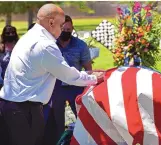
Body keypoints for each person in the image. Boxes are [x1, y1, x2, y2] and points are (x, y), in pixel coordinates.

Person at [0, 3, 102, 145]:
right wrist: (94, 78)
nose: (62, 31)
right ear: (51, 22)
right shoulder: (45, 44)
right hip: (25, 111)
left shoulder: (29, 36)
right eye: (61, 26)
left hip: (9, 106)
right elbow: (68, 75)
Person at [44, 15, 93, 144]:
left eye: (68, 30)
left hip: (75, 86)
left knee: (82, 118)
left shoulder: (80, 45)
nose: (66, 32)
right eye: (63, 29)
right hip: (56, 86)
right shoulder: (51, 45)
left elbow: (88, 68)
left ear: (72, 29)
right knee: (56, 120)